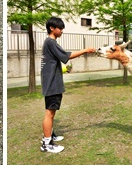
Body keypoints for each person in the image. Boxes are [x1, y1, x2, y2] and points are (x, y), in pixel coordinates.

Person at [39, 17, 95, 153]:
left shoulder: (49, 43)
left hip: (51, 82)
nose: (62, 31)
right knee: (49, 113)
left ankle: (50, 135)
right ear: (52, 28)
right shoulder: (51, 42)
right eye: (60, 28)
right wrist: (85, 50)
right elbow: (66, 55)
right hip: (52, 84)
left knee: (51, 112)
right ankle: (46, 143)